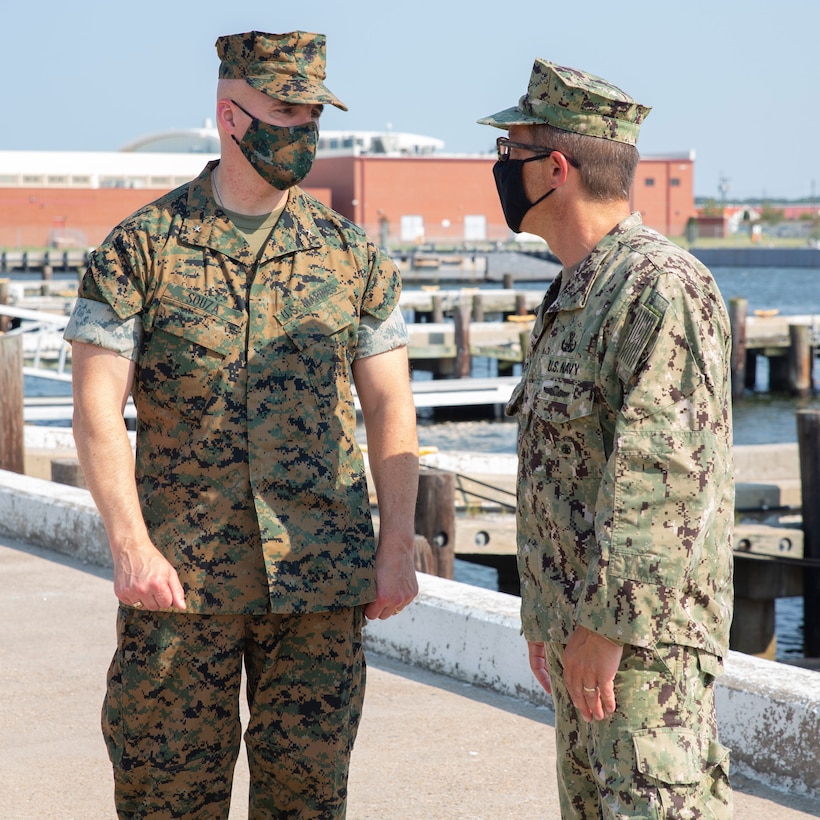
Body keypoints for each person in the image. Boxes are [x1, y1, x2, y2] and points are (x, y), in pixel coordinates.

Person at [64, 30, 419, 818]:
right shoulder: (139, 251)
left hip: (320, 586)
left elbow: (391, 407)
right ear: (230, 116)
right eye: (285, 111)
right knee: (166, 801)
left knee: (308, 801)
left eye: (312, 115)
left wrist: (397, 540)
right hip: (180, 588)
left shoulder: (352, 258)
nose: (302, 131)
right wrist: (130, 548)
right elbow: (96, 411)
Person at [478, 61, 734, 818]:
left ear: (555, 170)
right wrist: (546, 618)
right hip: (584, 639)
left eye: (510, 153)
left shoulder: (659, 287)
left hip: (642, 649)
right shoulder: (575, 289)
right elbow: (563, 469)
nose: (499, 171)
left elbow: (665, 479)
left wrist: (601, 627)